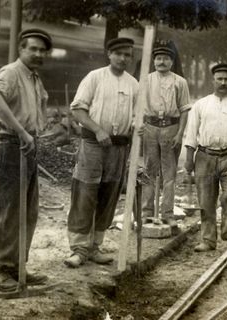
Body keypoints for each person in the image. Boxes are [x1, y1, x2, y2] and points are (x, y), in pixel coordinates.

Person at [64, 37, 139, 268]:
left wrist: (138, 126)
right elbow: (77, 109)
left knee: (109, 194)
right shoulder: (95, 77)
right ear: (109, 54)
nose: (123, 58)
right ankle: (78, 248)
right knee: (85, 193)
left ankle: (95, 247)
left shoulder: (134, 84)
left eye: (127, 55)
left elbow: (137, 117)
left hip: (119, 147)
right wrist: (97, 130)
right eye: (118, 54)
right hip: (93, 144)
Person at [0, 28, 52, 291]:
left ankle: (17, 267)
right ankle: (1, 270)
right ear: (21, 49)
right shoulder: (11, 72)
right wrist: (23, 131)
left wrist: (36, 132)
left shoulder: (34, 78)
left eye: (42, 50)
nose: (38, 54)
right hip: (10, 146)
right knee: (10, 211)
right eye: (32, 49)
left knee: (28, 212)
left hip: (27, 147)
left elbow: (38, 109)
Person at [183, 63, 227, 252]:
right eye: (219, 79)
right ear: (213, 80)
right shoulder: (201, 105)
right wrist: (189, 160)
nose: (223, 82)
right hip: (204, 157)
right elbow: (191, 134)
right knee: (206, 201)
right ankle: (207, 240)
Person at [141, 43, 191, 225]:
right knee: (149, 170)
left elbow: (185, 109)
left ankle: (167, 214)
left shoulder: (180, 82)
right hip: (150, 128)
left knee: (169, 173)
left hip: (171, 127)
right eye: (158, 58)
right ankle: (146, 212)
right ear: (154, 61)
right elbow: (139, 107)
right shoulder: (145, 80)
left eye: (166, 59)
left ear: (172, 62)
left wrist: (179, 134)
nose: (162, 62)